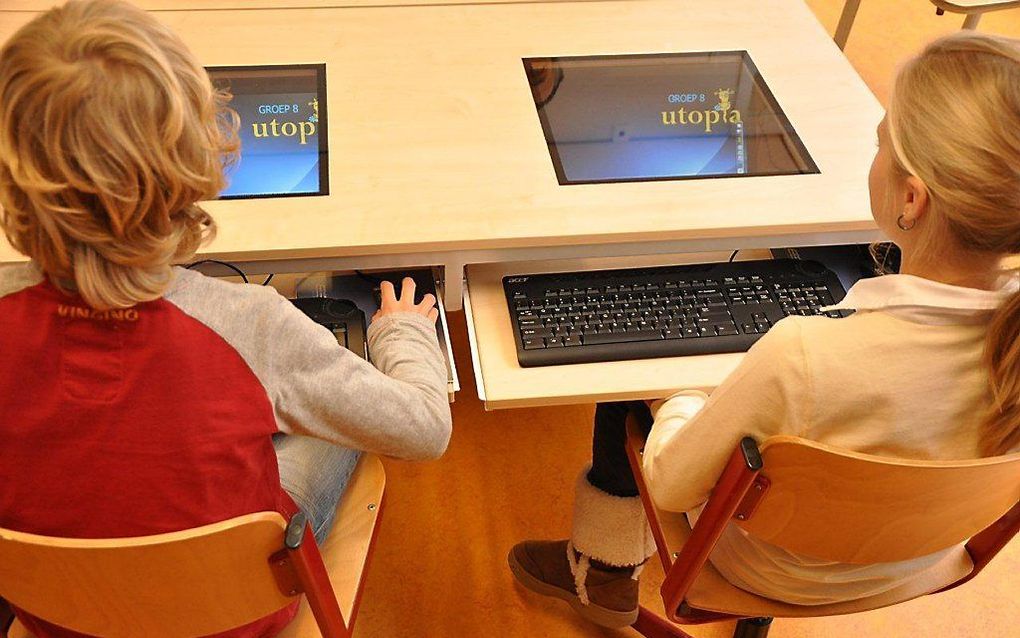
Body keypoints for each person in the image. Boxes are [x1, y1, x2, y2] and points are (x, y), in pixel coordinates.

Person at [509, 30, 1020, 628]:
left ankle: (602, 571)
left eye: (881, 141)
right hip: (912, 560)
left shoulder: (804, 351)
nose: (873, 152)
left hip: (775, 568)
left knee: (628, 375)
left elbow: (672, 484)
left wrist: (676, 391)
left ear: (911, 200)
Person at [0, 2, 452, 637]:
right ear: (192, 158)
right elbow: (426, 429)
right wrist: (399, 332)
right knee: (326, 413)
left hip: (59, 618)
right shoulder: (253, 325)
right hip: (234, 615)